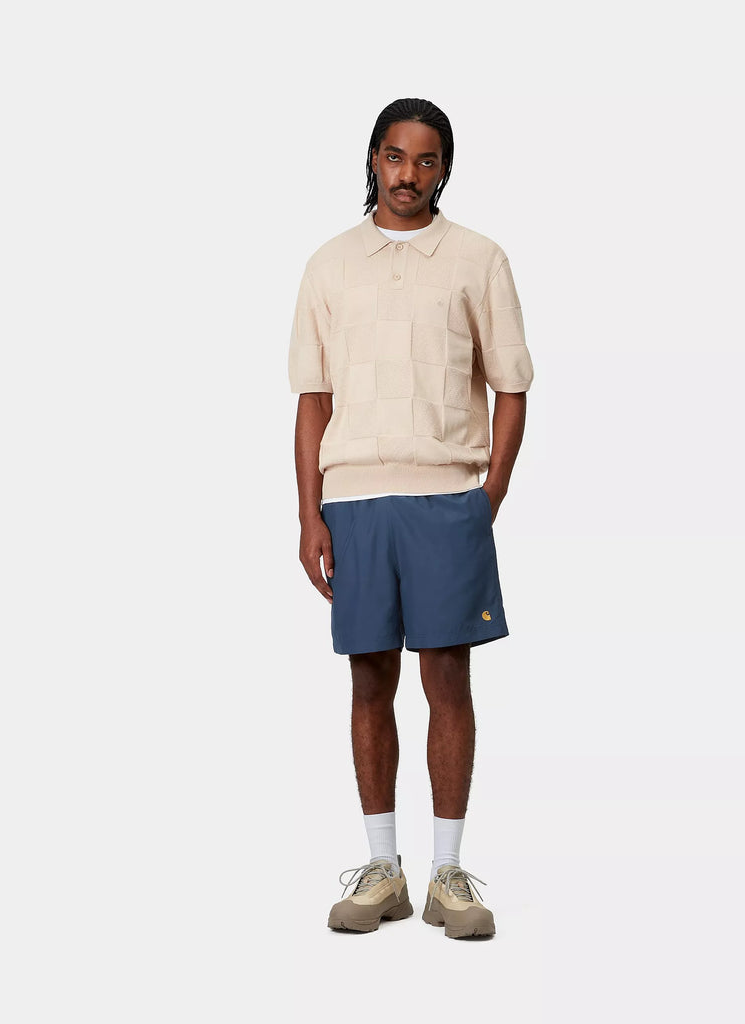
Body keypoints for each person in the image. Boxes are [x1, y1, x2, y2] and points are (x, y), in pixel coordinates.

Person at [288, 97, 533, 939]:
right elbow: (312, 399)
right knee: (368, 679)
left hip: (447, 499)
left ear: (444, 169)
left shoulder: (478, 259)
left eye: (426, 161)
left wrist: (489, 495)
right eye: (395, 157)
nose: (408, 174)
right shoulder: (329, 265)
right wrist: (308, 514)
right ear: (373, 159)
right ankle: (382, 869)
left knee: (447, 678)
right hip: (354, 501)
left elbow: (512, 386)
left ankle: (449, 875)